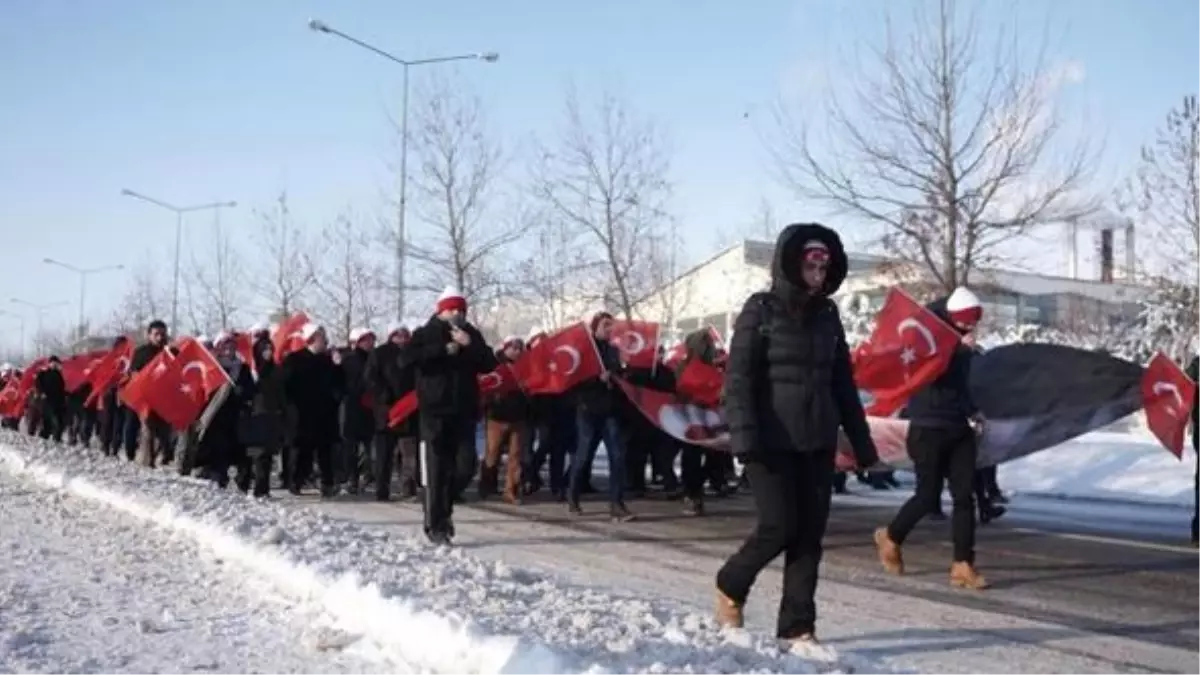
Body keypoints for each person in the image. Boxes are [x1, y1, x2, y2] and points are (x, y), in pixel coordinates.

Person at [714, 223, 881, 646]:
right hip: (769, 443)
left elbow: (842, 384)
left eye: (825, 265)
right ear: (792, 263)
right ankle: (732, 582)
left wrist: (864, 446)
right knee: (779, 525)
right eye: (811, 263)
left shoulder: (828, 316)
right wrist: (744, 439)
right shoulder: (761, 310)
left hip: (817, 442)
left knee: (809, 536)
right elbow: (738, 380)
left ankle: (797, 626)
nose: (818, 272)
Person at [875, 287, 990, 590]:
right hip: (927, 427)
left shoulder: (960, 343)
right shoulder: (925, 336)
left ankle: (963, 564)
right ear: (953, 317)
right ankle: (891, 536)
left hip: (957, 427)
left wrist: (974, 412)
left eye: (973, 322)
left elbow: (959, 388)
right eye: (965, 322)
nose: (969, 327)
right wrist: (959, 351)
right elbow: (933, 376)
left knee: (965, 497)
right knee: (928, 496)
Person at [404, 287, 496, 545]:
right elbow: (407, 359)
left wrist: (470, 346)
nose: (457, 314)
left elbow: (490, 363)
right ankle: (436, 524)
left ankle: (444, 508)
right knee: (436, 469)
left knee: (465, 466)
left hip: (464, 410)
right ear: (441, 310)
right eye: (452, 309)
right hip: (434, 411)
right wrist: (443, 350)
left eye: (461, 310)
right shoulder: (425, 333)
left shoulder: (471, 334)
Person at [567, 311, 635, 521]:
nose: (609, 329)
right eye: (605, 325)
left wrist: (619, 374)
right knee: (584, 455)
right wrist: (596, 379)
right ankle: (573, 495)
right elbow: (575, 380)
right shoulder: (585, 350)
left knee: (617, 455)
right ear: (595, 327)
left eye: (611, 325)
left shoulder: (613, 350)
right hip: (588, 410)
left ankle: (616, 503)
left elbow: (618, 375)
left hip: (610, 410)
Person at [281, 323, 344, 497]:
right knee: (303, 451)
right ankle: (296, 481)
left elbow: (339, 386)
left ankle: (328, 483)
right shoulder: (294, 359)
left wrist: (338, 367)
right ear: (312, 340)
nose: (325, 340)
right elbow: (285, 386)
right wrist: (291, 407)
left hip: (325, 414)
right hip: (302, 414)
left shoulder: (328, 361)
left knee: (326, 452)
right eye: (321, 337)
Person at [366, 323, 420, 501]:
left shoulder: (413, 354)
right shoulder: (380, 353)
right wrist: (383, 395)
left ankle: (408, 488)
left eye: (405, 335)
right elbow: (370, 378)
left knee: (409, 455)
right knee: (384, 455)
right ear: (391, 336)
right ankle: (382, 489)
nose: (403, 339)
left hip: (410, 410)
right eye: (399, 335)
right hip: (386, 412)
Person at [480, 336, 529, 504]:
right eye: (513, 348)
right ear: (506, 348)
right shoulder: (495, 365)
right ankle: (487, 485)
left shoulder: (526, 367)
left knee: (515, 456)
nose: (516, 351)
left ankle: (511, 491)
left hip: (519, 416)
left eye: (519, 348)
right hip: (497, 416)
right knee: (493, 454)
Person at [340, 327, 377, 493]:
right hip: (353, 407)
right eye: (366, 340)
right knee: (351, 447)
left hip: (370, 407)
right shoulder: (350, 360)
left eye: (371, 340)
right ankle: (352, 478)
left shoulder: (375, 358)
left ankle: (369, 475)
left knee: (371, 447)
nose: (370, 343)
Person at [34, 356, 67, 442]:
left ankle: (57, 438)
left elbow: (62, 387)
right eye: (53, 363)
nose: (54, 364)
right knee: (47, 421)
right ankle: (44, 437)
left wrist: (64, 396)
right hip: (47, 401)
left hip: (58, 401)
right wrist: (42, 392)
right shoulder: (43, 373)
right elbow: (38, 384)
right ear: (49, 363)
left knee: (59, 421)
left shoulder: (59, 374)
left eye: (56, 363)